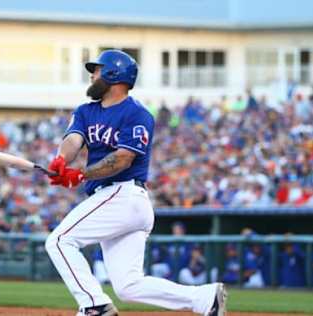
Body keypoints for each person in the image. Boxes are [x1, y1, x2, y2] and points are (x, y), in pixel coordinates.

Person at [44, 49, 226, 316]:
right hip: (121, 203)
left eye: (97, 70)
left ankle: (94, 305)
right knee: (128, 285)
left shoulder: (137, 113)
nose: (92, 75)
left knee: (59, 241)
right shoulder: (86, 111)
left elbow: (122, 159)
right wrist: (61, 160)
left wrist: (81, 175)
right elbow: (73, 140)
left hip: (122, 194)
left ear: (112, 74)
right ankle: (204, 298)